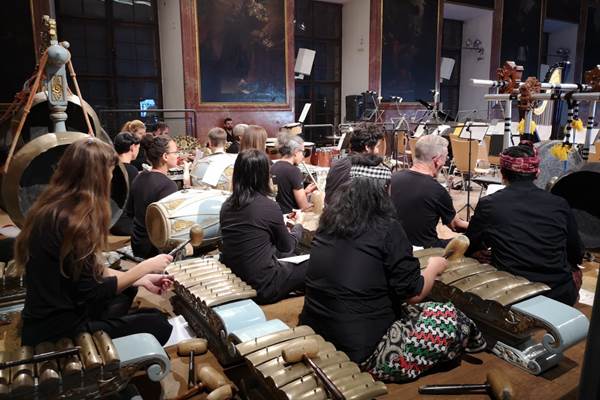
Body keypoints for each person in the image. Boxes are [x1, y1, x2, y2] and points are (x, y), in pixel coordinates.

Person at [299, 162, 485, 382]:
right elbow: (414, 295)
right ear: (385, 189)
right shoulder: (387, 227)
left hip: (316, 331)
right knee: (452, 317)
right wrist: (434, 268)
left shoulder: (328, 222)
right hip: (361, 351)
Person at [16, 137, 174, 346]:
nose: (111, 178)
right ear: (96, 176)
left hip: (51, 313)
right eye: (109, 172)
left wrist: (140, 279)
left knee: (128, 289)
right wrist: (143, 268)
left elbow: (90, 271)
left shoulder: (54, 207)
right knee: (158, 324)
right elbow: (92, 291)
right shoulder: (73, 223)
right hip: (56, 328)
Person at [465, 144, 584, 305]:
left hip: (512, 293)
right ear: (536, 173)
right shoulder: (559, 204)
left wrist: (478, 250)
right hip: (558, 293)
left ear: (502, 173)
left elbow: (470, 245)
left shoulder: (489, 204)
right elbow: (576, 252)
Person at [220, 150, 307, 304]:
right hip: (263, 285)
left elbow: (252, 234)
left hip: (236, 275)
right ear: (263, 176)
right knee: (315, 264)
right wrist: (298, 226)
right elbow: (287, 246)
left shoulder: (227, 205)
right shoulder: (268, 206)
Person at [391, 135, 468, 248]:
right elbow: (456, 226)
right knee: (468, 242)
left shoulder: (392, 178)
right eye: (445, 158)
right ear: (437, 160)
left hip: (393, 246)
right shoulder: (437, 190)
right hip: (423, 250)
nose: (445, 162)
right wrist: (482, 227)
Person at [129, 135, 179, 258]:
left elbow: (130, 212)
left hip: (137, 243)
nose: (178, 155)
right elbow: (171, 228)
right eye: (176, 152)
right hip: (155, 250)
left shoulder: (139, 177)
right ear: (165, 156)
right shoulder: (168, 185)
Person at [325, 125, 384, 204]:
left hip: (330, 213)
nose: (378, 151)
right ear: (367, 147)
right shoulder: (366, 169)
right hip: (348, 214)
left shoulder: (336, 164)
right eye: (377, 147)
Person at [271, 133, 316, 213]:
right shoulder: (294, 171)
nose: (303, 156)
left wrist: (304, 192)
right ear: (295, 152)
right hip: (290, 217)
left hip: (277, 214)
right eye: (302, 152)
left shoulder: (273, 166)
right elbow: (304, 207)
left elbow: (284, 195)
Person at [110, 132, 141, 236]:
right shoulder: (131, 171)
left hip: (110, 221)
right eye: (138, 148)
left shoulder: (110, 168)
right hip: (125, 224)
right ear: (132, 147)